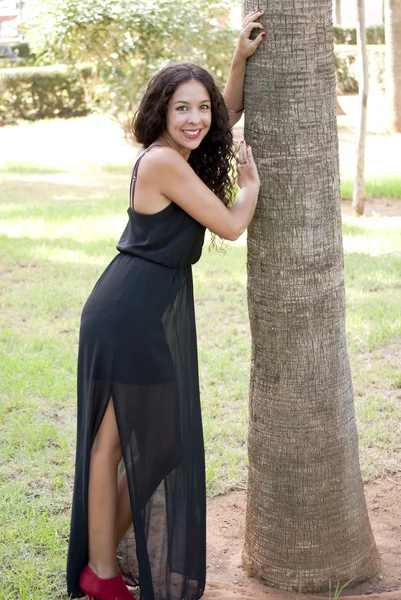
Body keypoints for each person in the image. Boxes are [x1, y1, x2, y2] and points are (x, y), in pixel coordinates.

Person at [66, 9, 264, 600]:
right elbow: (229, 225)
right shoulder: (161, 162)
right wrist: (250, 187)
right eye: (182, 107)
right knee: (117, 442)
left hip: (143, 305)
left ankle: (98, 560)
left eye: (201, 106)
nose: (197, 118)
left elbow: (223, 116)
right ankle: (100, 574)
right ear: (160, 111)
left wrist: (236, 62)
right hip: (128, 311)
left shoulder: (177, 152)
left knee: (152, 441)